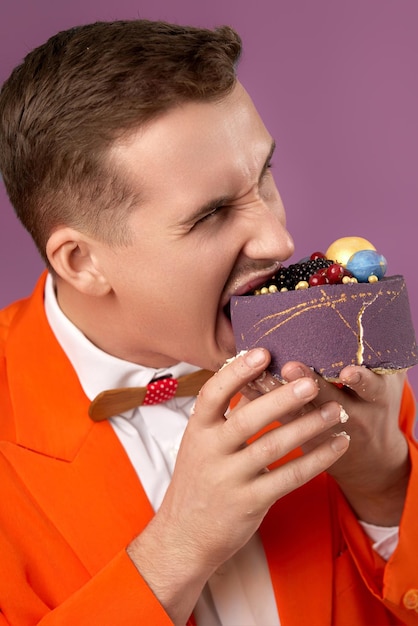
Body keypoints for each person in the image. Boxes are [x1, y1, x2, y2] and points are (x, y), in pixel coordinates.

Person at [0, 19, 417, 626]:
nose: (280, 239)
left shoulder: (340, 359)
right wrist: (174, 553)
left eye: (263, 177)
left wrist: (382, 480)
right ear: (83, 262)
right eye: (212, 214)